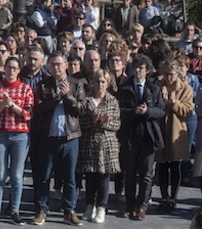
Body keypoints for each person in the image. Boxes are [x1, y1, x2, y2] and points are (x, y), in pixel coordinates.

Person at [31, 52, 85, 226]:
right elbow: (38, 110)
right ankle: (41, 210)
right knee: (44, 176)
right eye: (53, 64)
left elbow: (82, 109)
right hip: (48, 137)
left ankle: (69, 211)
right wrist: (57, 98)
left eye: (60, 64)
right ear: (49, 67)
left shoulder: (76, 84)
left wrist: (68, 96)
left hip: (70, 138)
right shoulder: (43, 85)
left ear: (66, 65)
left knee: (70, 177)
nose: (57, 68)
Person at [0, 56, 33, 225]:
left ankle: (15, 211)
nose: (11, 71)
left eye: (14, 68)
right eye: (8, 67)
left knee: (17, 175)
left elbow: (28, 114)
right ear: (4, 69)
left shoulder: (25, 89)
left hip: (20, 135)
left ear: (19, 70)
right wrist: (3, 104)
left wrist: (12, 105)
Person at [117, 54, 165, 221]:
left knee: (146, 174)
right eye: (135, 68)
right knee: (129, 172)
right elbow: (119, 110)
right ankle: (130, 205)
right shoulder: (125, 87)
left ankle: (142, 206)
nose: (138, 71)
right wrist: (133, 112)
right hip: (130, 134)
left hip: (148, 135)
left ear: (147, 71)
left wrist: (147, 111)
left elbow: (161, 110)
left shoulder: (153, 88)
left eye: (141, 68)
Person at [78, 69, 121, 224]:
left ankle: (102, 207)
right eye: (97, 81)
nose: (100, 85)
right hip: (90, 142)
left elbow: (117, 123)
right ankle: (89, 205)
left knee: (104, 177)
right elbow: (80, 122)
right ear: (92, 83)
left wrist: (105, 122)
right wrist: (92, 120)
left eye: (103, 82)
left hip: (107, 143)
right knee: (90, 176)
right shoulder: (86, 100)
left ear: (107, 84)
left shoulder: (112, 101)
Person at [154, 58, 193, 214]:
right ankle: (164, 197)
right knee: (162, 165)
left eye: (171, 74)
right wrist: (162, 103)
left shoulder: (185, 88)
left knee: (175, 166)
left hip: (176, 131)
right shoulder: (158, 87)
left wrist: (174, 103)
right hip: (161, 130)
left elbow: (187, 110)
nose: (168, 77)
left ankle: (173, 198)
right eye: (165, 74)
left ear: (177, 73)